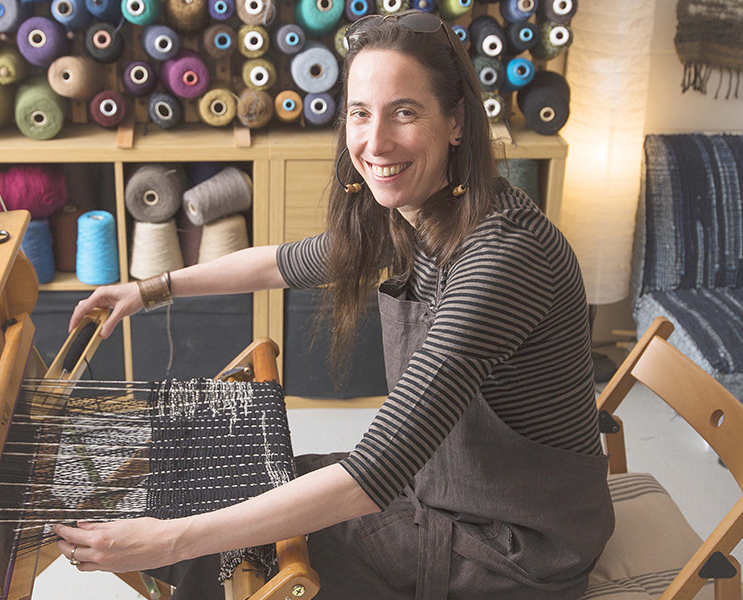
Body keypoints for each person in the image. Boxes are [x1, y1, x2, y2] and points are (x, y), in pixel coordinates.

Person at [55, 10, 614, 599]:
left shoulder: (500, 258)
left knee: (221, 550)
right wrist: (148, 290)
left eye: (405, 112)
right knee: (224, 486)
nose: (374, 143)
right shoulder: (415, 213)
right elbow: (278, 263)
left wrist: (168, 540)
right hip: (446, 485)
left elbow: (374, 473)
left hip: (512, 543)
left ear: (456, 122)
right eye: (360, 113)